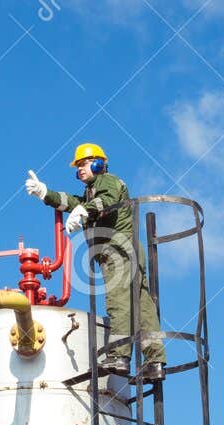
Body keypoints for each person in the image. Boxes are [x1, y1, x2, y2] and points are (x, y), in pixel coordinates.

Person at [25, 143, 164, 377]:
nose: (79, 169)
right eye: (77, 166)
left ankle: (119, 356)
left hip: (117, 250)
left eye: (84, 164)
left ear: (99, 163)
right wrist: (44, 193)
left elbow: (105, 202)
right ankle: (155, 360)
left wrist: (84, 212)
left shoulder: (106, 182)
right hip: (128, 250)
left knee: (118, 301)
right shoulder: (91, 191)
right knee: (142, 306)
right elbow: (71, 201)